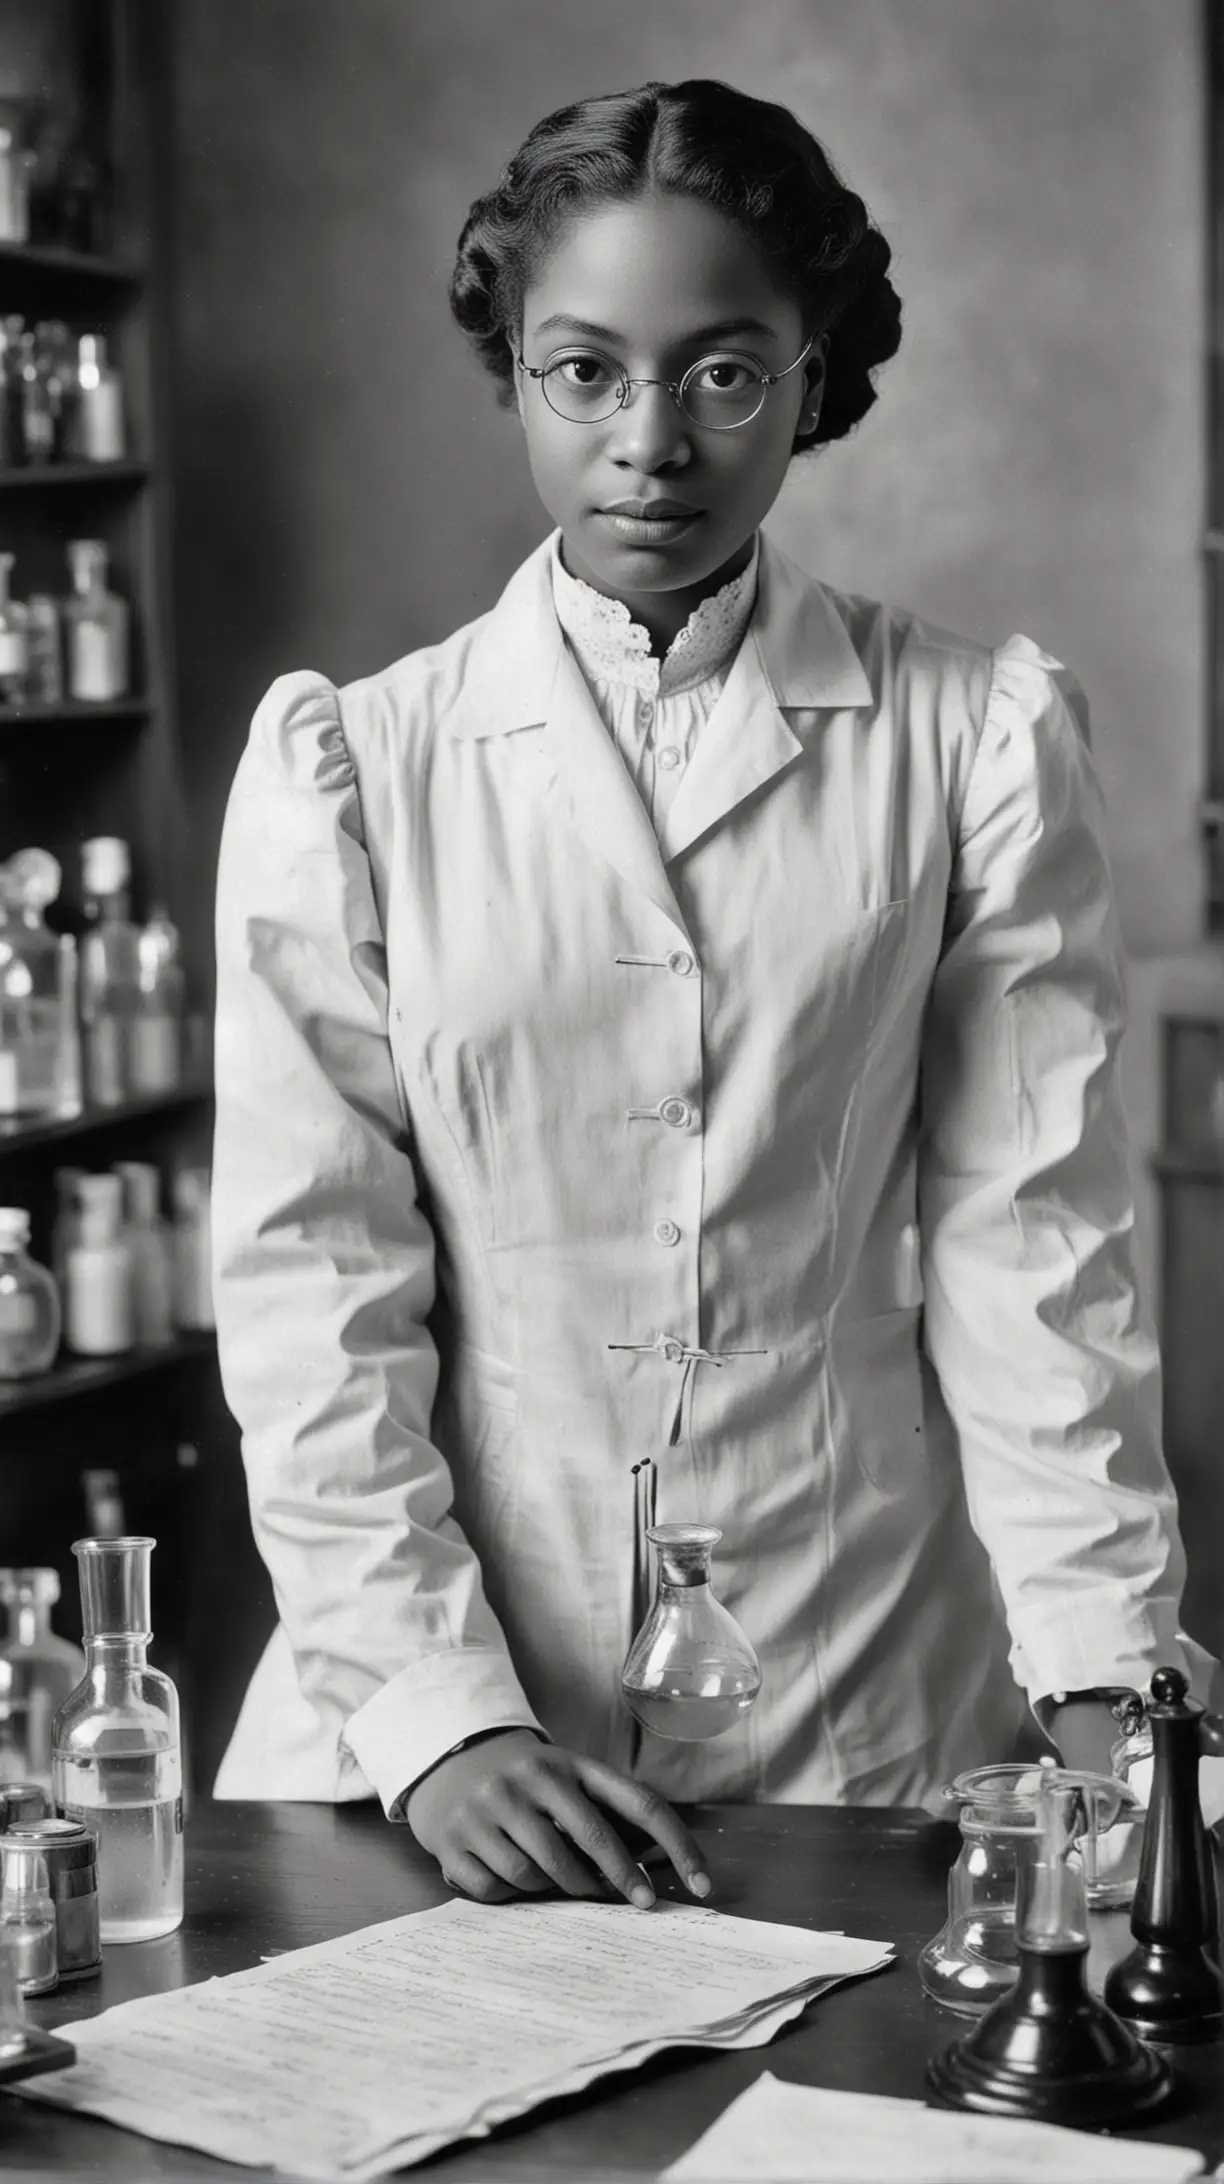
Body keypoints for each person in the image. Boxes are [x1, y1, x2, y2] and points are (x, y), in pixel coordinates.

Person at [211, 78, 1218, 1908]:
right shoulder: (350, 769)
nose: (650, 441)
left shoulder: (972, 735)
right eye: (583, 371)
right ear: (514, 370)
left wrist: (1103, 1668)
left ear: (813, 374)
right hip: (458, 1716)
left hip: (859, 1685)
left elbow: (1036, 1245)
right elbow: (312, 1283)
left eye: (725, 371)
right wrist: (439, 1714)